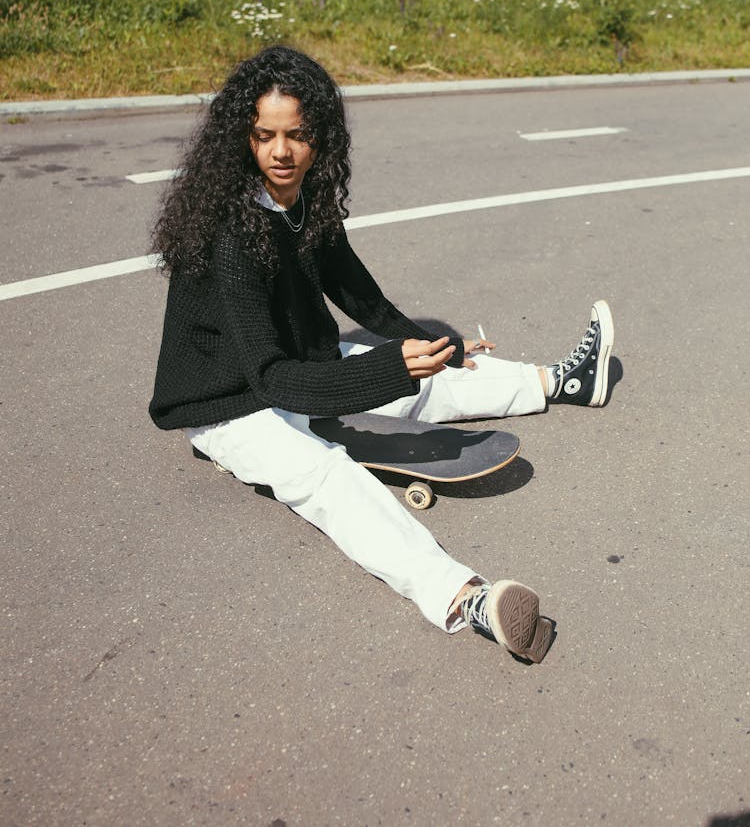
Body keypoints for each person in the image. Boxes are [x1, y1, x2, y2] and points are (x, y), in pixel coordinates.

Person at [149, 45, 614, 665]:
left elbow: (352, 287)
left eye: (297, 136)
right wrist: (388, 367)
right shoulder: (231, 232)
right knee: (329, 475)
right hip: (231, 400)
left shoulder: (304, 197)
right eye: (264, 136)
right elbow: (270, 379)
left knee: (424, 377)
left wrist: (422, 344)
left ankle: (562, 381)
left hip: (293, 365)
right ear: (243, 138)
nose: (281, 152)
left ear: (321, 139)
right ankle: (464, 598)